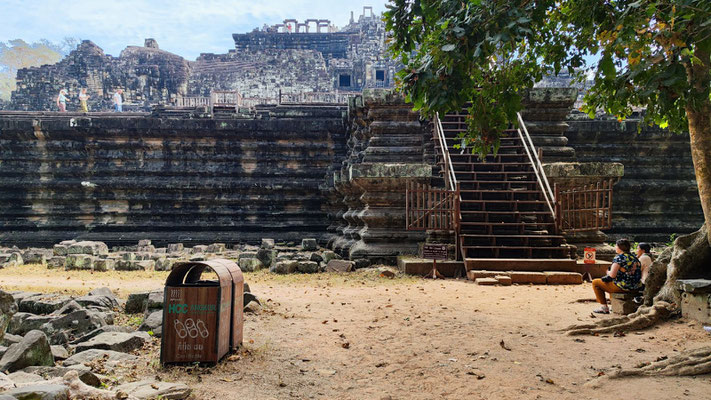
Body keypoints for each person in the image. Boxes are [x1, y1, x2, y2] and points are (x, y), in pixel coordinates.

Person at [591, 238, 643, 314]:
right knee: (610, 282)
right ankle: (613, 305)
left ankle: (604, 307)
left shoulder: (619, 258)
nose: (615, 248)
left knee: (595, 282)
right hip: (636, 287)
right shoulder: (635, 258)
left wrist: (608, 272)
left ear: (620, 248)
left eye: (616, 246)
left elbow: (612, 275)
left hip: (623, 287)